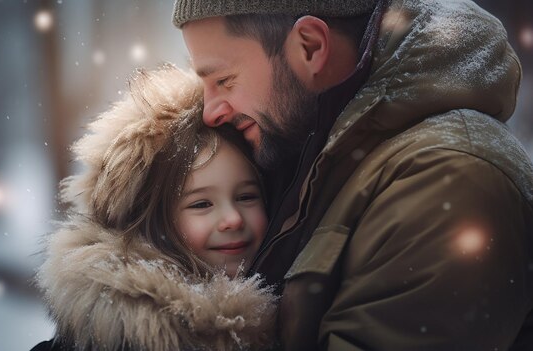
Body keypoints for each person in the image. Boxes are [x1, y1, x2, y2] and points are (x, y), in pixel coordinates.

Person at [172, 0, 533, 350]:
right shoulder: (306, 144)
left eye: (223, 80)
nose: (210, 113)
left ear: (310, 46)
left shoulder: (450, 179)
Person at [31, 65, 277, 351]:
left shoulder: (288, 313)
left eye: (246, 197)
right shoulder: (108, 342)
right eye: (201, 204)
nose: (233, 219)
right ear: (152, 222)